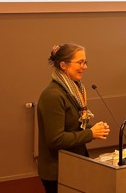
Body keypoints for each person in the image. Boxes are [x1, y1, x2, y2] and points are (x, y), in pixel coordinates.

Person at [37, 44, 110, 193]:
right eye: (80, 62)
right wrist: (90, 134)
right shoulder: (53, 95)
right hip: (58, 170)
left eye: (85, 62)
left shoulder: (74, 89)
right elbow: (56, 140)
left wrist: (93, 128)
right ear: (63, 65)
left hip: (73, 164)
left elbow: (71, 126)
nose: (85, 67)